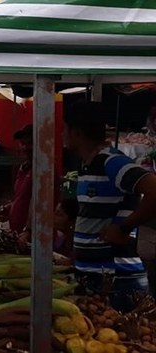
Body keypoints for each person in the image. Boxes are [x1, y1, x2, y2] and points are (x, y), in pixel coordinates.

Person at [66, 101, 156, 311]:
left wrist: (124, 227)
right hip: (96, 277)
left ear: (76, 132)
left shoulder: (111, 161)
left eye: (64, 129)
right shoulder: (89, 165)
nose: (62, 134)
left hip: (116, 280)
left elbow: (153, 188)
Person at [0, 125, 33, 233]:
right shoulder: (24, 168)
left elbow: (41, 207)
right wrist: (10, 208)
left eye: (30, 143)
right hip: (17, 231)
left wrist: (28, 231)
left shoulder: (43, 173)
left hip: (30, 235)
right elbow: (21, 197)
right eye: (23, 143)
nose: (25, 147)